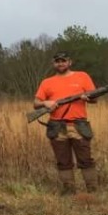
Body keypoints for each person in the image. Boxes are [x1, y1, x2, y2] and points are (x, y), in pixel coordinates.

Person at [33, 51, 98, 195]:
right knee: (63, 161)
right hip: (57, 127)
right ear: (53, 64)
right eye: (57, 61)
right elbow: (36, 103)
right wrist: (45, 103)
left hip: (78, 126)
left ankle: (92, 192)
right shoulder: (47, 82)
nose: (60, 63)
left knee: (86, 160)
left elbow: (95, 98)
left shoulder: (82, 76)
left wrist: (88, 98)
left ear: (70, 62)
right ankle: (69, 192)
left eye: (63, 61)